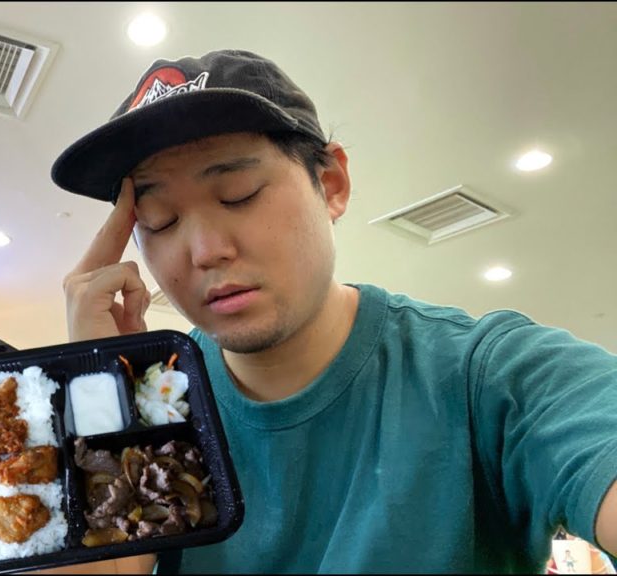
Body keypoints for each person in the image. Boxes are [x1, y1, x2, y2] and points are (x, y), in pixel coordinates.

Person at [53, 49, 617, 572]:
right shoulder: (154, 403)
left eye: (239, 194)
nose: (204, 251)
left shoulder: (486, 378)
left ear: (332, 183)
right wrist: (95, 397)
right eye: (159, 221)